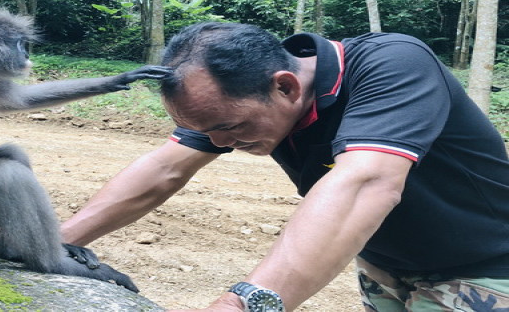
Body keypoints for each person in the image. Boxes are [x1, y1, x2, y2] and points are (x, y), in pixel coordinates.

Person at [58, 22, 509, 311]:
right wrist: (49, 242)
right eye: (204, 131)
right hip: (383, 265)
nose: (218, 143)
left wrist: (245, 304)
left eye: (228, 127)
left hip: (482, 265)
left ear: (287, 87)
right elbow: (164, 169)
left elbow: (364, 182)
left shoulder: (391, 65)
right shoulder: (233, 103)